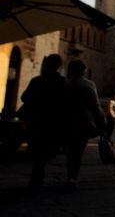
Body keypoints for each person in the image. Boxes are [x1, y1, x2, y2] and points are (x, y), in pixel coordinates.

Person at [20, 54, 66, 188]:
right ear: (59, 66)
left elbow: (24, 98)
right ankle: (38, 171)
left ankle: (37, 171)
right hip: (52, 121)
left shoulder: (37, 81)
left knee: (36, 145)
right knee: (46, 147)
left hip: (36, 120)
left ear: (46, 65)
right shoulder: (62, 82)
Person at [64, 59, 104, 192]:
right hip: (82, 123)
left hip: (64, 122)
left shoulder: (65, 84)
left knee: (68, 150)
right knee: (77, 151)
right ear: (83, 71)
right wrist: (101, 123)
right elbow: (96, 107)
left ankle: (38, 173)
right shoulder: (89, 84)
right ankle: (72, 177)